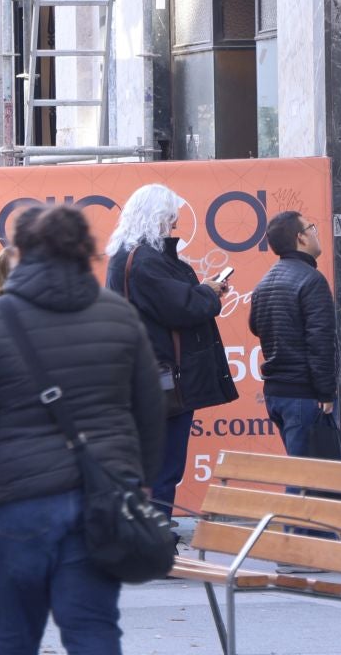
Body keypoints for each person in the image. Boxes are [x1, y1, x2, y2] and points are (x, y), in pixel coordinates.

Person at [0, 205, 164, 655]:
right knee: (93, 629)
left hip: (11, 502)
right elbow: (150, 409)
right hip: (100, 500)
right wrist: (141, 481)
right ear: (82, 250)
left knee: (11, 634)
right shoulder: (118, 316)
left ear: (20, 253)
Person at [108, 183, 235, 518]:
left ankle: (147, 532)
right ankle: (154, 535)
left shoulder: (128, 255)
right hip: (163, 379)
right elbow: (182, 307)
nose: (174, 224)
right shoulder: (145, 261)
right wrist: (208, 292)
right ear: (157, 217)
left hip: (145, 375)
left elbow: (170, 302)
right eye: (170, 217)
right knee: (164, 466)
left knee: (154, 466)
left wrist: (202, 291)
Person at [248, 210, 336, 457]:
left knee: (302, 470)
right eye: (311, 228)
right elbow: (320, 342)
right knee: (307, 474)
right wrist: (325, 392)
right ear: (301, 238)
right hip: (303, 394)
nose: (316, 234)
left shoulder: (264, 282)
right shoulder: (312, 280)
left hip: (276, 394)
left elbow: (255, 326)